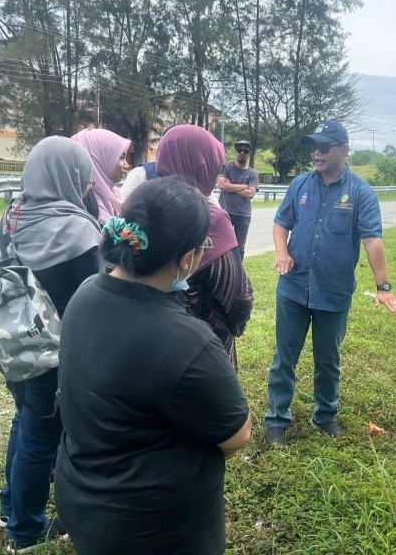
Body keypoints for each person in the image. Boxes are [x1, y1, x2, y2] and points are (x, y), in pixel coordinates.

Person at [55, 177, 252, 555]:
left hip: (83, 503)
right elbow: (236, 435)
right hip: (154, 528)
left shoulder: (84, 295)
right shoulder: (188, 341)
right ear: (186, 260)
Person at [264, 120, 396, 447]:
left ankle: (324, 416)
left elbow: (373, 242)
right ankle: (276, 421)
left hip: (334, 292)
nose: (317, 152)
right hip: (294, 287)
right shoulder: (300, 185)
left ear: (344, 150)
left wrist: (384, 287)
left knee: (328, 360)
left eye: (324, 147)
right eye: (314, 146)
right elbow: (281, 223)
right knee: (285, 357)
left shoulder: (360, 192)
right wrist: (282, 252)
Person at [0, 136, 101, 554]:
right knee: (41, 439)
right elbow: (93, 296)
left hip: (14, 345)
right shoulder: (76, 228)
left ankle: (11, 507)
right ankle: (25, 531)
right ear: (70, 174)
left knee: (25, 422)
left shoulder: (13, 215)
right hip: (53, 353)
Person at [154, 125, 253, 371]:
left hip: (149, 348)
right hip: (201, 354)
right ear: (201, 165)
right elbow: (238, 299)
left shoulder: (142, 207)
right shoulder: (211, 218)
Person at [71, 127, 132, 223]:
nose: (127, 165)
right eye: (121, 157)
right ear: (99, 158)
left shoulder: (113, 195)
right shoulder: (82, 198)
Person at [217, 140, 259, 259]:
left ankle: (238, 273)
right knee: (223, 245)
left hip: (243, 215)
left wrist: (231, 185)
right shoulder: (227, 167)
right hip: (225, 213)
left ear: (249, 154)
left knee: (239, 247)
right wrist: (242, 186)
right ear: (235, 152)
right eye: (239, 150)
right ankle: (224, 269)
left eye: (245, 151)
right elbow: (221, 185)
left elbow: (251, 194)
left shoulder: (252, 174)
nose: (242, 153)